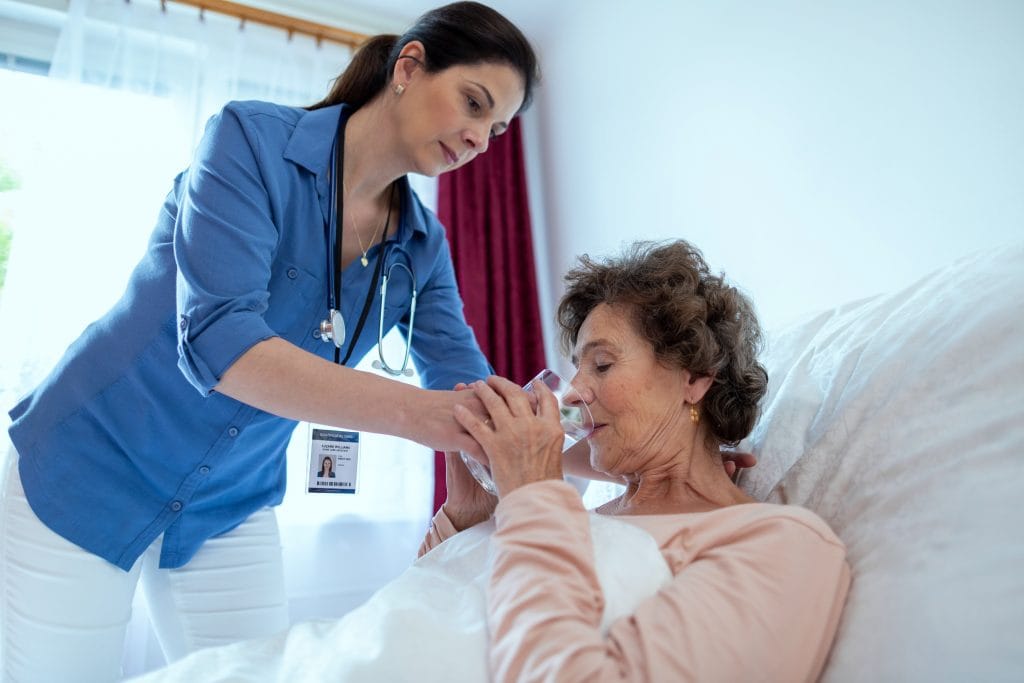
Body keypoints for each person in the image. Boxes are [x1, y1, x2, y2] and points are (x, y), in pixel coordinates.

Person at [0, 2, 538, 680]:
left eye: (496, 128)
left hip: (230, 502)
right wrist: (421, 416)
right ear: (409, 66)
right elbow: (221, 342)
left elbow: (472, 396)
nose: (480, 138)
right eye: (473, 102)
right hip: (88, 468)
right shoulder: (249, 142)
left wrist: (610, 444)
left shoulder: (421, 248)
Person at [429, 239, 851, 680]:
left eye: (603, 364)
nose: (573, 394)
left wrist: (533, 495)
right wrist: (463, 522)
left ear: (693, 379)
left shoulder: (778, 545)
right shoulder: (571, 517)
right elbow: (421, 616)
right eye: (575, 369)